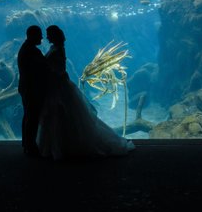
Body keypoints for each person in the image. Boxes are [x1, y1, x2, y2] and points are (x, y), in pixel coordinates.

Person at [37, 25, 135, 160]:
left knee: (62, 114)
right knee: (60, 115)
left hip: (58, 86)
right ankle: (59, 146)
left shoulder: (59, 49)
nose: (46, 37)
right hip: (56, 85)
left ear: (54, 35)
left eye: (48, 34)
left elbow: (60, 70)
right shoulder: (54, 48)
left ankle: (63, 146)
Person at [17, 25, 50, 157]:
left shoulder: (26, 48)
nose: (41, 37)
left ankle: (27, 144)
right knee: (32, 117)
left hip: (26, 87)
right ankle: (30, 145)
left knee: (28, 116)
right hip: (31, 88)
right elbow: (41, 69)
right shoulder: (32, 51)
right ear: (32, 35)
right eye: (39, 34)